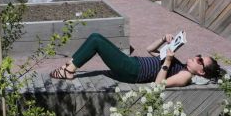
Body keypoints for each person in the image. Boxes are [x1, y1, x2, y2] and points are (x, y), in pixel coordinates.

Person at [49, 32, 220, 88]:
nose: (196, 57)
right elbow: (149, 50)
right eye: (199, 55)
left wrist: (167, 62)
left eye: (200, 60)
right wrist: (163, 39)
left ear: (202, 71)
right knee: (99, 40)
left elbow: (159, 84)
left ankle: (69, 70)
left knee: (96, 39)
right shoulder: (181, 65)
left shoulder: (185, 76)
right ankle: (69, 66)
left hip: (132, 71)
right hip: (132, 64)